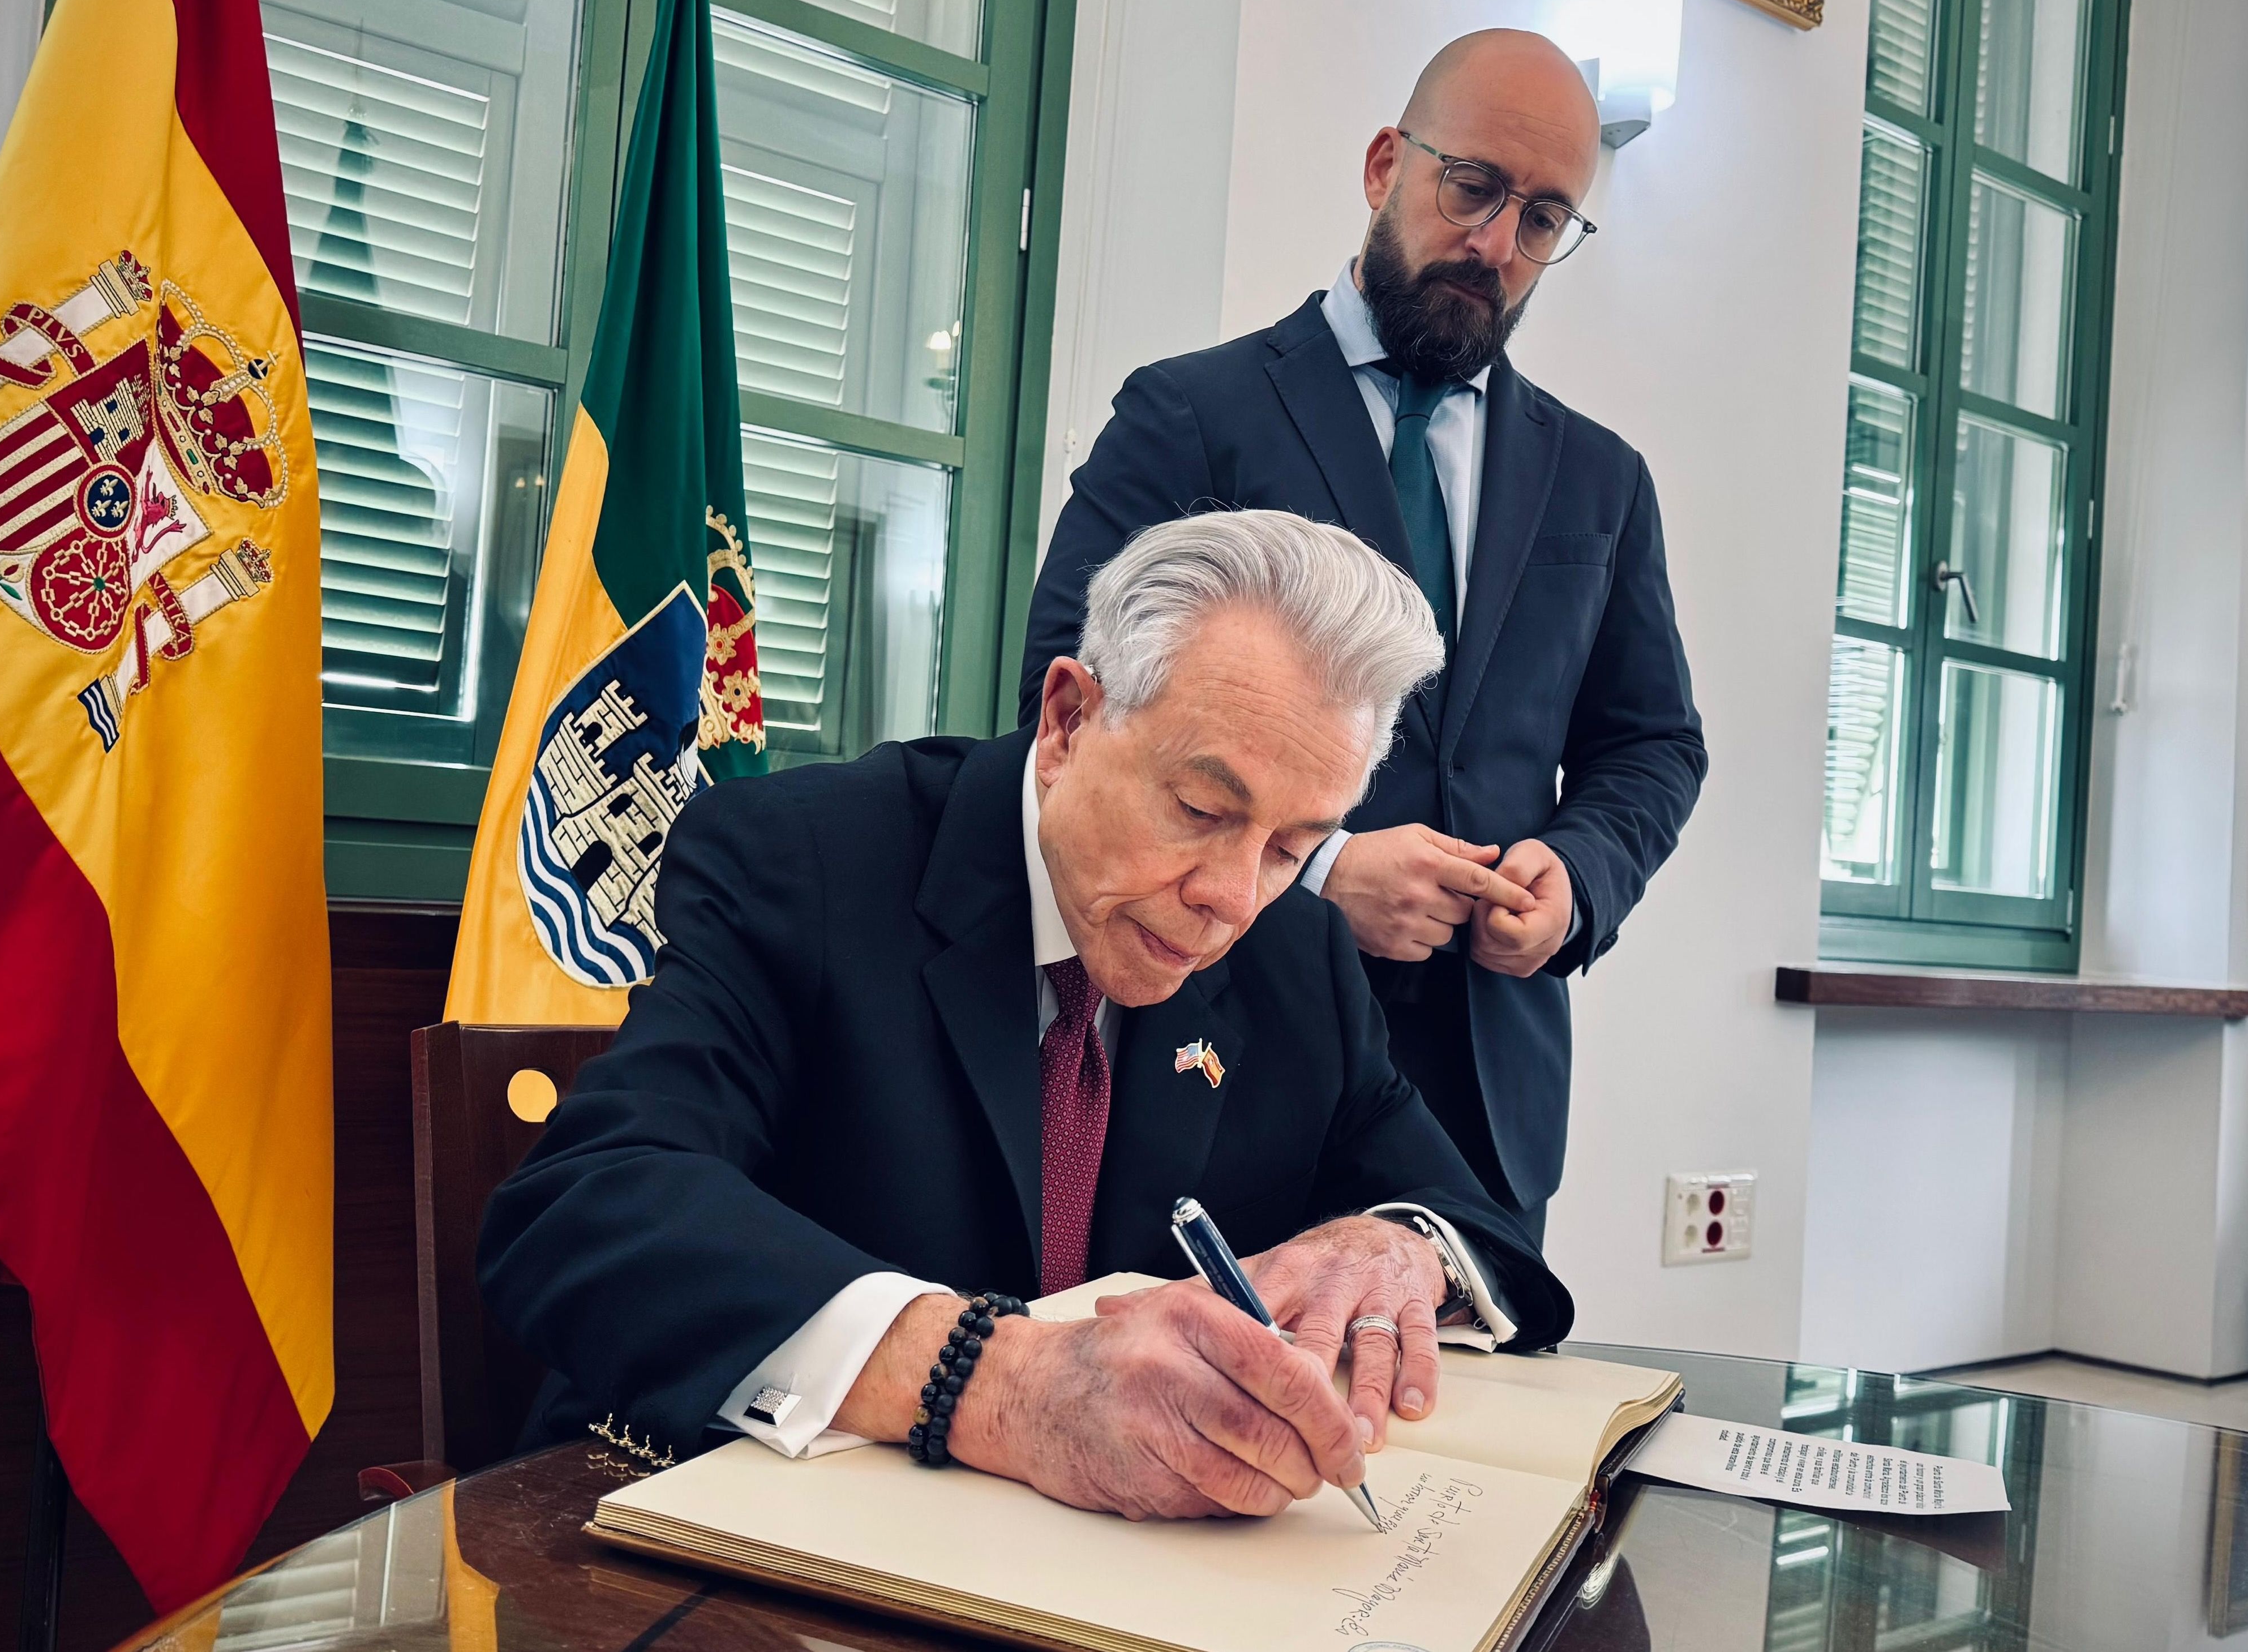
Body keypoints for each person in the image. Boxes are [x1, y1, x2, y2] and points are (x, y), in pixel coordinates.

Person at [481, 512, 1574, 1523]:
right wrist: (998, 1379)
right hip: (733, 1551)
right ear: (1067, 722)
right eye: (1202, 810)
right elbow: (588, 1204)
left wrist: (1397, 1247)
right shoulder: (804, 858)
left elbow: (1469, 1217)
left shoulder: (1301, 954)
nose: (1233, 898)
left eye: (1294, 845)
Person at [1019, 29, 1707, 1241]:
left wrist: (1577, 882)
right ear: (1388, 163)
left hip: (1487, 1100)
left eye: (1543, 219)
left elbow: (1651, 746)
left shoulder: (1603, 481)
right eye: (1474, 188)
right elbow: (1062, 697)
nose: (1496, 245)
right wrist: (1322, 873)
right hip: (1221, 1053)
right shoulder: (1191, 413)